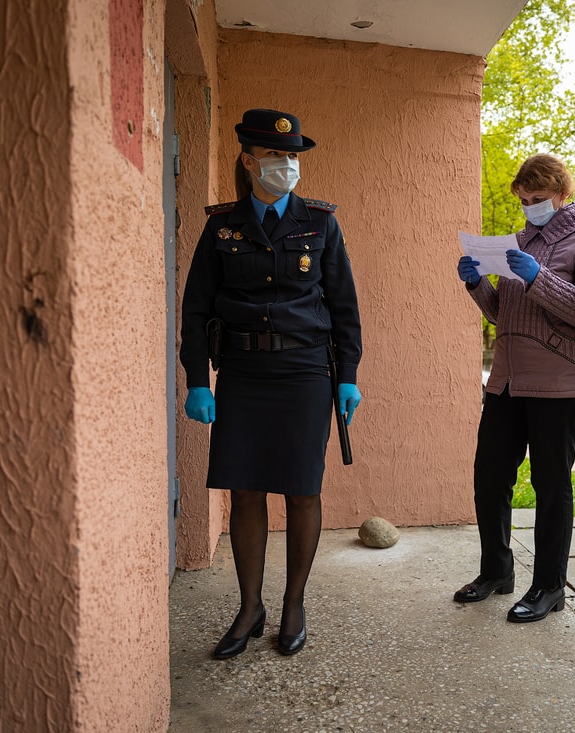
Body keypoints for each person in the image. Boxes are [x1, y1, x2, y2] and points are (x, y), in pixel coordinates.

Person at [180, 108, 362, 659]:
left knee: (303, 490)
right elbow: (195, 309)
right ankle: (250, 606)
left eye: (292, 156)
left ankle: (294, 604)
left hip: (306, 372)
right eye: (276, 156)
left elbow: (344, 307)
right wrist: (198, 381)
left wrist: (348, 376)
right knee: (246, 490)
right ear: (248, 160)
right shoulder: (222, 226)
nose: (286, 165)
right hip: (242, 371)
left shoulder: (320, 223)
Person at [454, 154, 575, 623]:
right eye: (523, 201)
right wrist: (477, 284)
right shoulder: (519, 240)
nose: (529, 208)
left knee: (550, 486)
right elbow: (505, 314)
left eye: (537, 199)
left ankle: (548, 587)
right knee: (489, 477)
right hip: (507, 380)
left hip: (561, 382)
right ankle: (497, 572)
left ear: (561, 193)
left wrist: (537, 276)